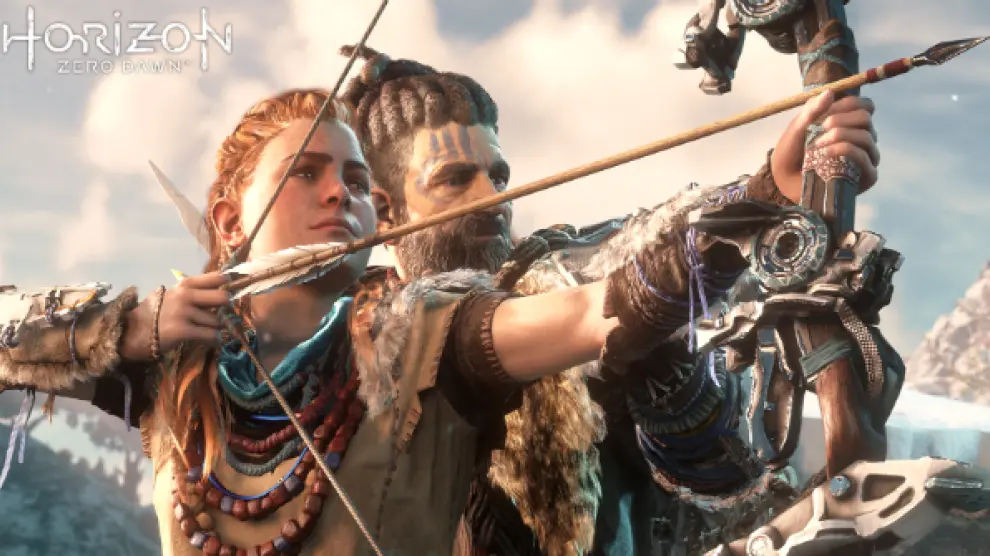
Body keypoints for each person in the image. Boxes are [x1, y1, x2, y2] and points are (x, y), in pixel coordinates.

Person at [0, 85, 804, 556]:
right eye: (307, 172)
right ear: (229, 218)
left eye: (356, 183)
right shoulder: (174, 367)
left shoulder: (428, 337)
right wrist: (127, 328)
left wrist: (765, 196)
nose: (339, 195)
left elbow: (602, 312)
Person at [337, 46, 899, 556]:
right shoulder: (354, 342)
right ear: (386, 213)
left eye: (499, 177)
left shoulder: (549, 279)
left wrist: (765, 195)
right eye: (456, 180)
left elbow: (631, 263)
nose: (495, 200)